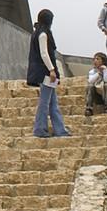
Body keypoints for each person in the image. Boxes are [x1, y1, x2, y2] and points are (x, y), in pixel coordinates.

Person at [26, 8, 70, 139]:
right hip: (45, 72)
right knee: (45, 102)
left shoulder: (37, 32)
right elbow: (44, 53)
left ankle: (60, 129)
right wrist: (51, 70)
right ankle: (40, 129)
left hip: (44, 71)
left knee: (52, 102)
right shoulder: (43, 34)